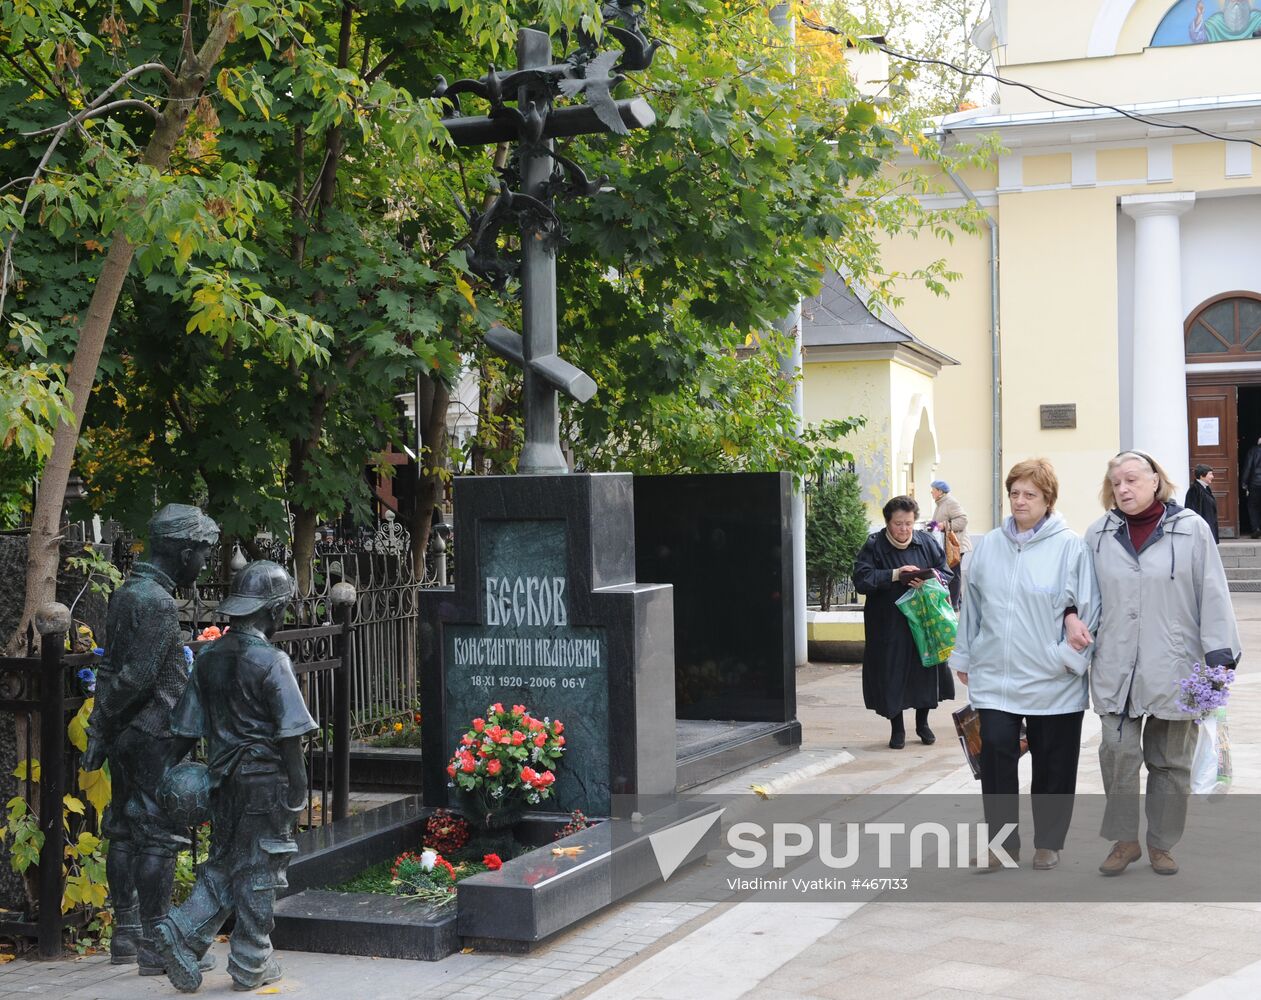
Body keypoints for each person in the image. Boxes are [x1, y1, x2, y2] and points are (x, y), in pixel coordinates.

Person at [152, 560, 315, 993]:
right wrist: (298, 792)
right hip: (265, 784)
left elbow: (185, 729)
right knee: (263, 867)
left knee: (225, 864)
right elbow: (291, 736)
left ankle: (181, 932)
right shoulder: (271, 660)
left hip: (221, 781)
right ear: (274, 610)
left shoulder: (208, 658)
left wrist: (166, 775)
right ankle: (251, 959)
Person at [1086, 451, 1241, 876]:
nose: (1124, 489)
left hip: (1177, 663)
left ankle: (1161, 843)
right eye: (1116, 482)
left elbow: (1212, 590)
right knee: (1116, 754)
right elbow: (1084, 597)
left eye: (1133, 480)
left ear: (1156, 481)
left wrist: (1219, 656)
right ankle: (1125, 841)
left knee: (1171, 760)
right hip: (1117, 664)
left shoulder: (1191, 529)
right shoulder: (1099, 534)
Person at [83, 504, 220, 972]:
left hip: (126, 733)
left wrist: (102, 727)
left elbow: (107, 670)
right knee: (159, 833)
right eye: (202, 553)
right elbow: (135, 678)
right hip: (155, 733)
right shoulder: (158, 603)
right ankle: (159, 941)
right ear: (183, 553)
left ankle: (126, 933)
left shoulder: (127, 592)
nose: (204, 564)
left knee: (123, 827)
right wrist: (106, 721)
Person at [951, 459, 1099, 872]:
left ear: (1048, 500)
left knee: (1053, 762)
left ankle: (1048, 843)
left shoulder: (1070, 547)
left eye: (1030, 494)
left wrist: (1066, 660)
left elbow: (1090, 608)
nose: (1020, 501)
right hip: (998, 676)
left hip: (1053, 679)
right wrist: (965, 654)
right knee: (995, 754)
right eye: (1014, 492)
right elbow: (971, 607)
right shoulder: (990, 546)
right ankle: (1003, 845)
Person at [853, 495, 955, 749]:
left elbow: (946, 572)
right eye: (898, 524)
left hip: (923, 621)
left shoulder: (926, 543)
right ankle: (896, 729)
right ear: (888, 522)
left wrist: (929, 580)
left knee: (924, 672)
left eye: (909, 523)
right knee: (892, 673)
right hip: (888, 624)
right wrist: (895, 575)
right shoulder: (875, 545)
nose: (904, 529)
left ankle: (923, 723)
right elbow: (862, 579)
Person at [928, 479, 972, 609]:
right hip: (948, 545)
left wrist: (944, 525)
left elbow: (963, 520)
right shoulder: (941, 503)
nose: (931, 492)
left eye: (933, 489)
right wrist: (932, 525)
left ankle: (953, 604)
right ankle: (957, 602)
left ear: (940, 491)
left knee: (953, 573)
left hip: (955, 545)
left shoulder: (950, 502)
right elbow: (941, 521)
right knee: (952, 572)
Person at [1183, 464, 1220, 543]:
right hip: (1202, 531)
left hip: (1207, 528)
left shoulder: (1205, 488)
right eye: (1210, 474)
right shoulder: (1195, 490)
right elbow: (1192, 511)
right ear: (1202, 475)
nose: (1212, 476)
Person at [1242, 436, 1261, 537]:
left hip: (1255, 483)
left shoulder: (1253, 451)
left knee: (1253, 507)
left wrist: (1244, 483)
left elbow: (1248, 467)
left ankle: (1256, 529)